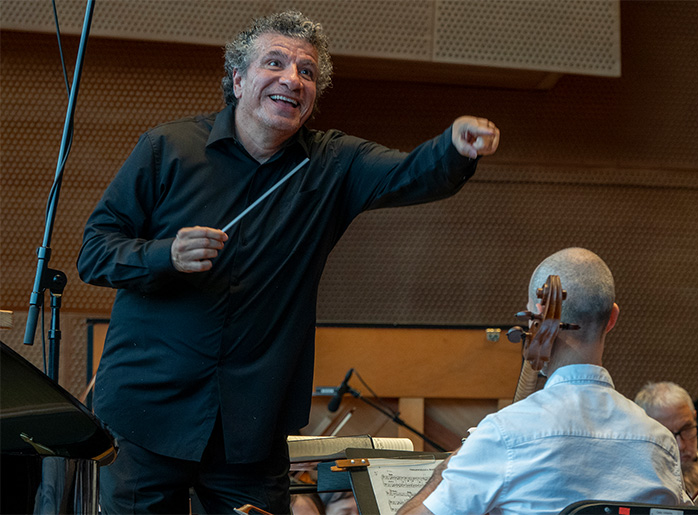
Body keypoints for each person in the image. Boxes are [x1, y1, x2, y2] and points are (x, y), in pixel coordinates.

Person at [76, 10, 500, 515]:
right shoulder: (167, 149)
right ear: (237, 79)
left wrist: (454, 148)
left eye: (306, 72)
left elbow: (410, 173)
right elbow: (95, 251)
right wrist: (163, 254)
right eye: (274, 63)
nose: (291, 79)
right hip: (148, 414)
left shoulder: (332, 163)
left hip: (250, 430)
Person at [397, 247, 692, 515]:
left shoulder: (504, 436)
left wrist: (443, 473)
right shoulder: (660, 444)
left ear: (537, 314)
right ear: (612, 318)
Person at [635, 382, 698, 503]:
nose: (681, 445)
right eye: (667, 436)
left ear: (694, 417)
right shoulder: (636, 486)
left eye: (686, 429)